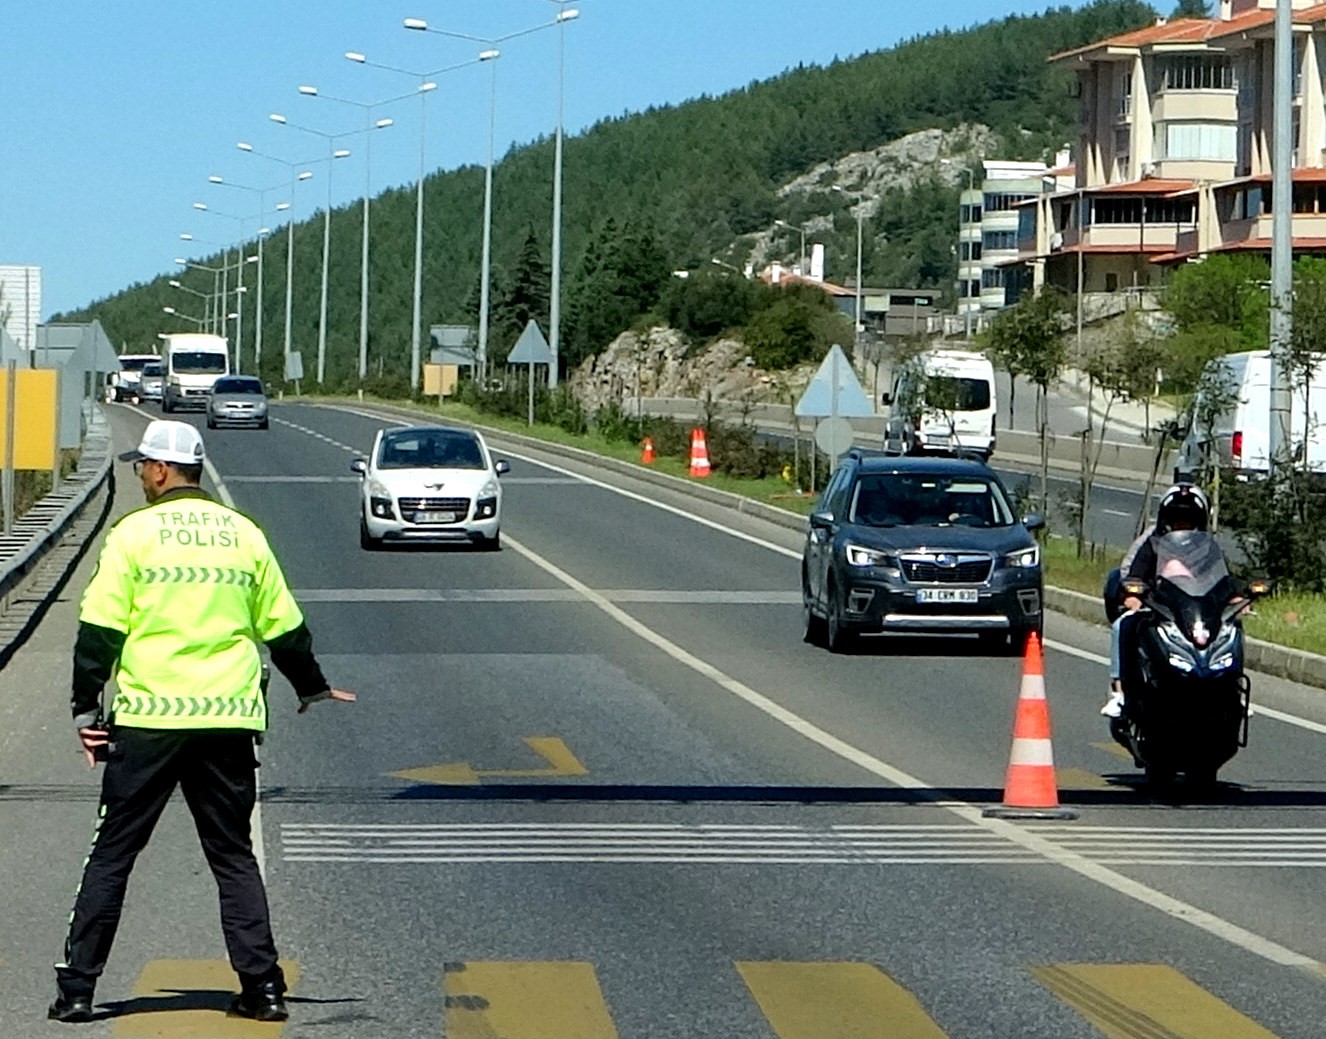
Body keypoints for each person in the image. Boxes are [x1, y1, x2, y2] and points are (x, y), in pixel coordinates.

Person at [50, 420, 356, 1025]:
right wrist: (311, 686)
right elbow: (284, 628)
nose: (139, 475)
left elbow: (99, 634)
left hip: (149, 721)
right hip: (228, 721)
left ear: (161, 471)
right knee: (232, 856)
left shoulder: (134, 535)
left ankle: (78, 991)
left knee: (113, 854)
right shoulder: (245, 535)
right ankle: (264, 990)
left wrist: (86, 710)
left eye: (142, 467)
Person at [1101, 483, 1213, 721]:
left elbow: (1223, 579)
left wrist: (1235, 598)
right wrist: (1133, 595)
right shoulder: (1152, 542)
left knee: (1230, 629)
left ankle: (1230, 692)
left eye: (1189, 519)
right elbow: (1133, 573)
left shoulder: (1208, 547)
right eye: (1177, 518)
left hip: (1195, 614)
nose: (1183, 524)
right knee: (1124, 625)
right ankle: (1120, 692)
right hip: (1157, 608)